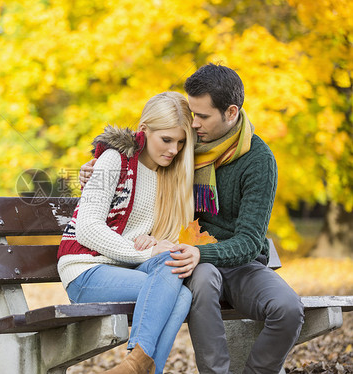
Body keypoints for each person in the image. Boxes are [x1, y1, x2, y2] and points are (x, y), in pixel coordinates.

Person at [79, 63, 304, 374]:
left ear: (231, 113)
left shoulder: (258, 160)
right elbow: (140, 145)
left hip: (238, 262)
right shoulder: (184, 144)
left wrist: (203, 252)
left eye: (202, 116)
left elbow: (251, 241)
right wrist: (96, 166)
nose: (194, 124)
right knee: (204, 277)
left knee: (289, 309)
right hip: (189, 259)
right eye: (192, 114)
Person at [58, 91, 196, 374]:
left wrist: (154, 242)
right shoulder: (114, 161)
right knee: (174, 281)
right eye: (166, 139)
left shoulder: (168, 176)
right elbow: (87, 229)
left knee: (178, 283)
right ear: (144, 129)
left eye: (181, 142)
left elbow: (150, 237)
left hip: (129, 269)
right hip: (86, 270)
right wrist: (142, 250)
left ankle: (136, 364)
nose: (173, 149)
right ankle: (138, 367)